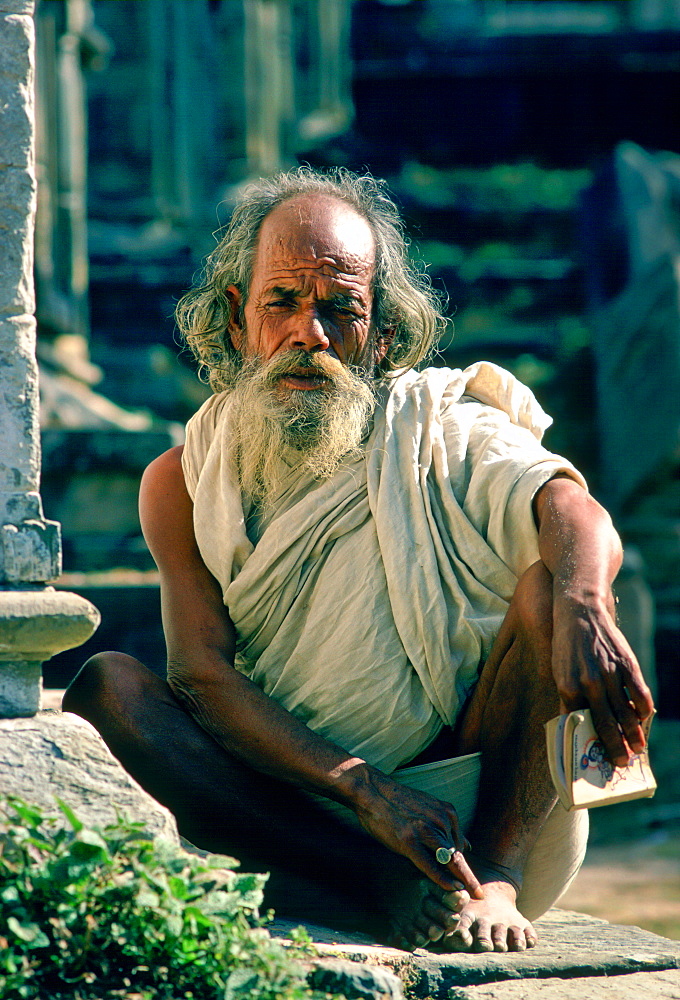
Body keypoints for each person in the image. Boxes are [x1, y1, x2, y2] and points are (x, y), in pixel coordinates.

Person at [64, 167, 654, 953]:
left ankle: (495, 880)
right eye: (284, 302)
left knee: (553, 587)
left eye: (341, 311)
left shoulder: (436, 423)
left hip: (477, 813)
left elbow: (568, 505)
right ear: (239, 319)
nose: (310, 334)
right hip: (296, 812)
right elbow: (202, 678)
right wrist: (364, 791)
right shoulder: (182, 478)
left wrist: (588, 606)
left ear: (380, 337)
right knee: (108, 687)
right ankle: (370, 884)